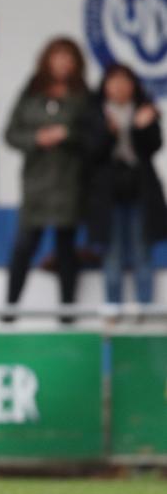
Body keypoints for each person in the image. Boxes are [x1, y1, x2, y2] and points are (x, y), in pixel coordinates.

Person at [3, 37, 97, 322]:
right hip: (37, 186)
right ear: (47, 60)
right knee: (23, 248)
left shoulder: (84, 97)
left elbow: (95, 138)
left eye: (68, 57)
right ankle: (8, 311)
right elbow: (11, 133)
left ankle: (67, 314)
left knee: (66, 250)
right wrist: (37, 138)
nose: (63, 63)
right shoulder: (31, 92)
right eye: (58, 56)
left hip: (70, 185)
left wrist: (68, 136)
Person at [87, 64, 167, 319]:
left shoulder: (145, 111)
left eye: (125, 81)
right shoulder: (94, 114)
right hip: (108, 197)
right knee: (112, 256)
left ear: (134, 86)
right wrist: (109, 132)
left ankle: (145, 312)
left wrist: (140, 126)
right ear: (105, 85)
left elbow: (153, 147)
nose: (120, 87)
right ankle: (113, 313)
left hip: (140, 193)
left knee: (143, 253)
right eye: (114, 81)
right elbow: (92, 153)